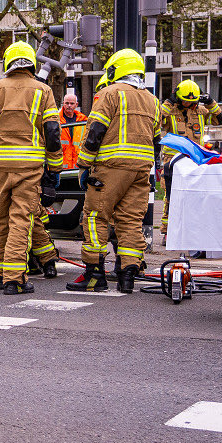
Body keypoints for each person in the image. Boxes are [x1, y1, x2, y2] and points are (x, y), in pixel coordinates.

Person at [66, 48, 162, 294]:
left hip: (110, 168)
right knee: (130, 220)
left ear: (115, 70)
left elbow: (95, 131)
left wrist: (84, 165)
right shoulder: (153, 100)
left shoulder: (109, 94)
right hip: (141, 170)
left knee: (95, 217)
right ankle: (127, 274)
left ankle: (94, 275)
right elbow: (157, 138)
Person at [0, 42, 63, 295]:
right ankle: (14, 279)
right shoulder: (43, 91)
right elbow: (53, 133)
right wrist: (54, 169)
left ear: (8, 63)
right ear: (31, 63)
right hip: (29, 166)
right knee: (21, 220)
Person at [159, 79, 222, 234]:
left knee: (196, 194)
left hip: (195, 159)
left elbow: (219, 120)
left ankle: (192, 229)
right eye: (185, 101)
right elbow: (156, 120)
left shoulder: (200, 111)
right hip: (173, 160)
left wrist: (211, 103)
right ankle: (168, 231)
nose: (189, 104)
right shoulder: (170, 111)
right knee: (171, 195)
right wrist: (169, 103)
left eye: (192, 101)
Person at [59, 93, 87, 168]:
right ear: (63, 104)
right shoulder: (56, 120)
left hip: (77, 165)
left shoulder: (83, 120)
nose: (69, 105)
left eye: (72, 103)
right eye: (67, 103)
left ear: (76, 104)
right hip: (61, 166)